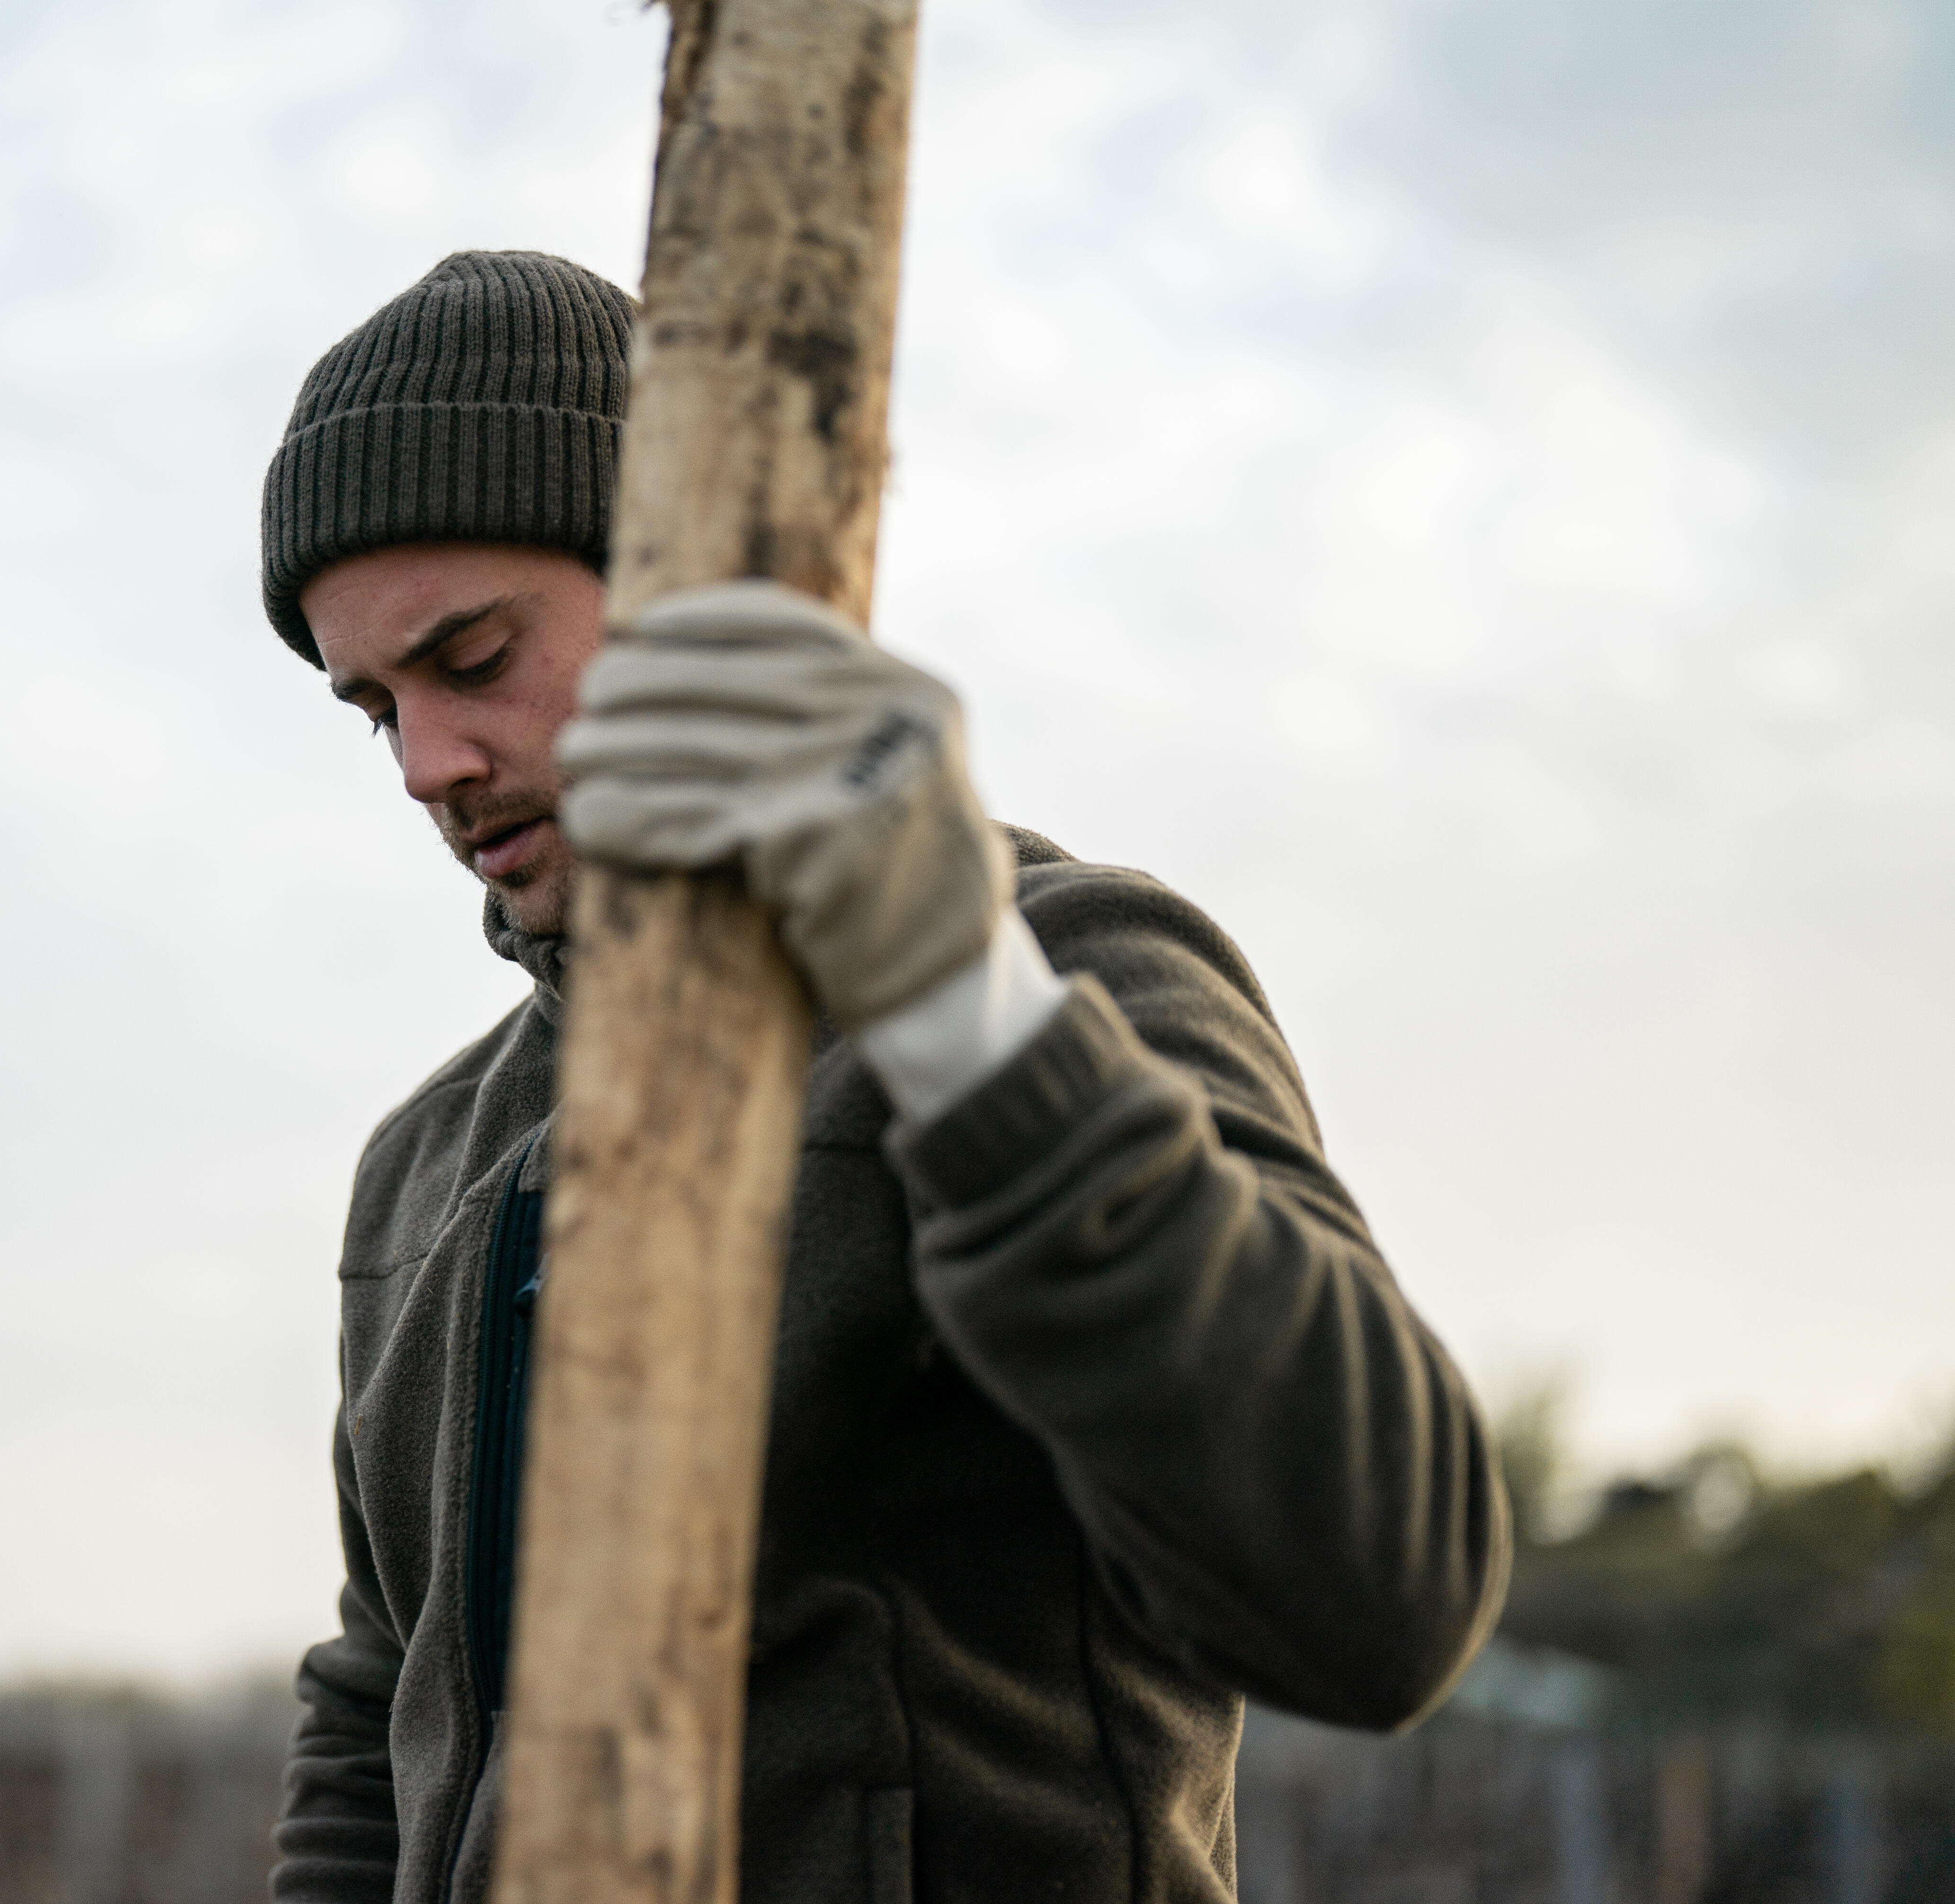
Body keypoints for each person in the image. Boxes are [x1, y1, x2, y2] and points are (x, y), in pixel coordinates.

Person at [259, 250, 1508, 1904]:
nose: (430, 766)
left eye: (476, 659)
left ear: (688, 586)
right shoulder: (425, 1166)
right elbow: (379, 1708)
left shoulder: (1052, 974)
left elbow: (1385, 1598)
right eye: (377, 712)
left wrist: (953, 1004)